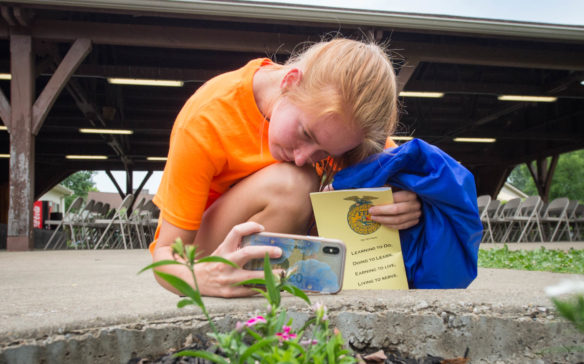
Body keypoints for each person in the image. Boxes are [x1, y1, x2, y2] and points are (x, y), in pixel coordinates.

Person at [150, 37, 421, 297]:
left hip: (288, 251)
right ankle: (256, 306)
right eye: (305, 134)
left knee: (349, 189)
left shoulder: (347, 124)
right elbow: (164, 257)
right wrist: (202, 277)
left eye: (324, 152)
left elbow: (409, 168)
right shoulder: (209, 116)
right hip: (210, 252)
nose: (303, 156)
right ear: (290, 82)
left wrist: (405, 201)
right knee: (295, 182)